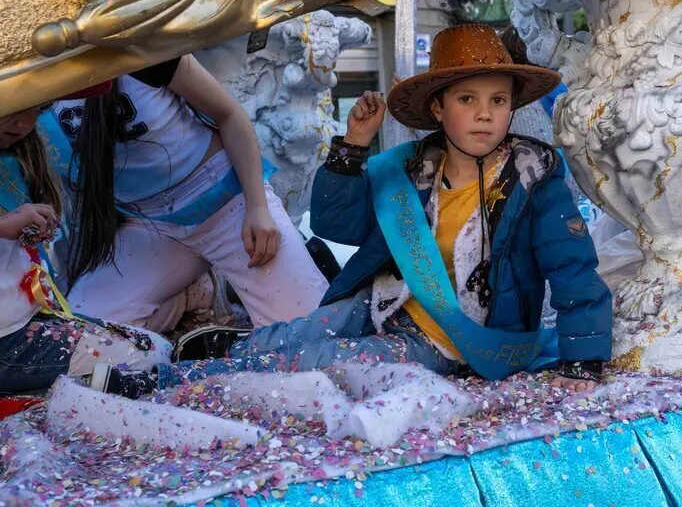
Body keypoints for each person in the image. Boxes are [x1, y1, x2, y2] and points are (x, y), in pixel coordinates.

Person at [91, 25, 612, 398]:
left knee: (312, 364)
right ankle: (177, 376)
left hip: (461, 342)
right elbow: (338, 226)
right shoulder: (409, 170)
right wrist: (353, 147)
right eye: (468, 99)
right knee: (285, 336)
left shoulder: (533, 178)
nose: (484, 113)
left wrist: (584, 360)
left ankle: (163, 385)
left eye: (498, 101)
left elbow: (573, 270)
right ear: (438, 108)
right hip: (386, 307)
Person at [46, 55, 328, 332]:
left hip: (227, 206)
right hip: (147, 226)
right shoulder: (36, 76)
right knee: (83, 336)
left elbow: (229, 115)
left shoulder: (142, 48)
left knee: (308, 330)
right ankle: (192, 294)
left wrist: (258, 207)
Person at [0, 94, 171, 395]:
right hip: (6, 343)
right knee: (142, 361)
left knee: (156, 349)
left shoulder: (12, 159)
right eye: (13, 107)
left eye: (37, 109)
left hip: (26, 321)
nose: (26, 124)